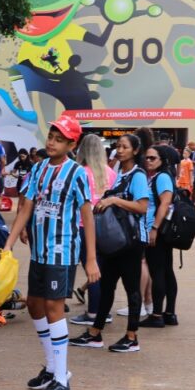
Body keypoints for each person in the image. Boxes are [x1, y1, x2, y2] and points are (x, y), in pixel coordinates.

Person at [3, 115, 98, 390]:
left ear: (72, 143)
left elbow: (87, 215)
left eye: (59, 139)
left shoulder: (77, 173)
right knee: (34, 305)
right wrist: (8, 245)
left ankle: (61, 380)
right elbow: (25, 208)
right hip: (40, 252)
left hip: (63, 250)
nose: (52, 142)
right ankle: (52, 367)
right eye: (51, 136)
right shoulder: (39, 168)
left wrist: (91, 259)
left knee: (54, 308)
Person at [70, 133, 147, 353]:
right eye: (118, 146)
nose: (119, 150)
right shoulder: (119, 173)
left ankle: (132, 337)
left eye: (124, 147)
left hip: (131, 241)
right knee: (106, 286)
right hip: (116, 241)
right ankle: (95, 333)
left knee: (132, 288)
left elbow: (142, 206)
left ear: (134, 151)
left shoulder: (137, 175)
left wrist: (113, 200)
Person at [70, 134, 116, 327]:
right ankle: (103, 310)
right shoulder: (111, 173)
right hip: (106, 227)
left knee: (92, 271)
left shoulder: (79, 172)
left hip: (82, 225)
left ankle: (93, 313)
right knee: (102, 271)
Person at [142, 145, 178, 327]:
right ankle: (169, 313)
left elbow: (165, 203)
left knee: (159, 272)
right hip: (161, 230)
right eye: (146, 158)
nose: (148, 161)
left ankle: (157, 315)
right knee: (166, 271)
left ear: (162, 160)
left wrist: (154, 228)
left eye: (152, 158)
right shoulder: (156, 177)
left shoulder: (162, 177)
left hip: (158, 231)